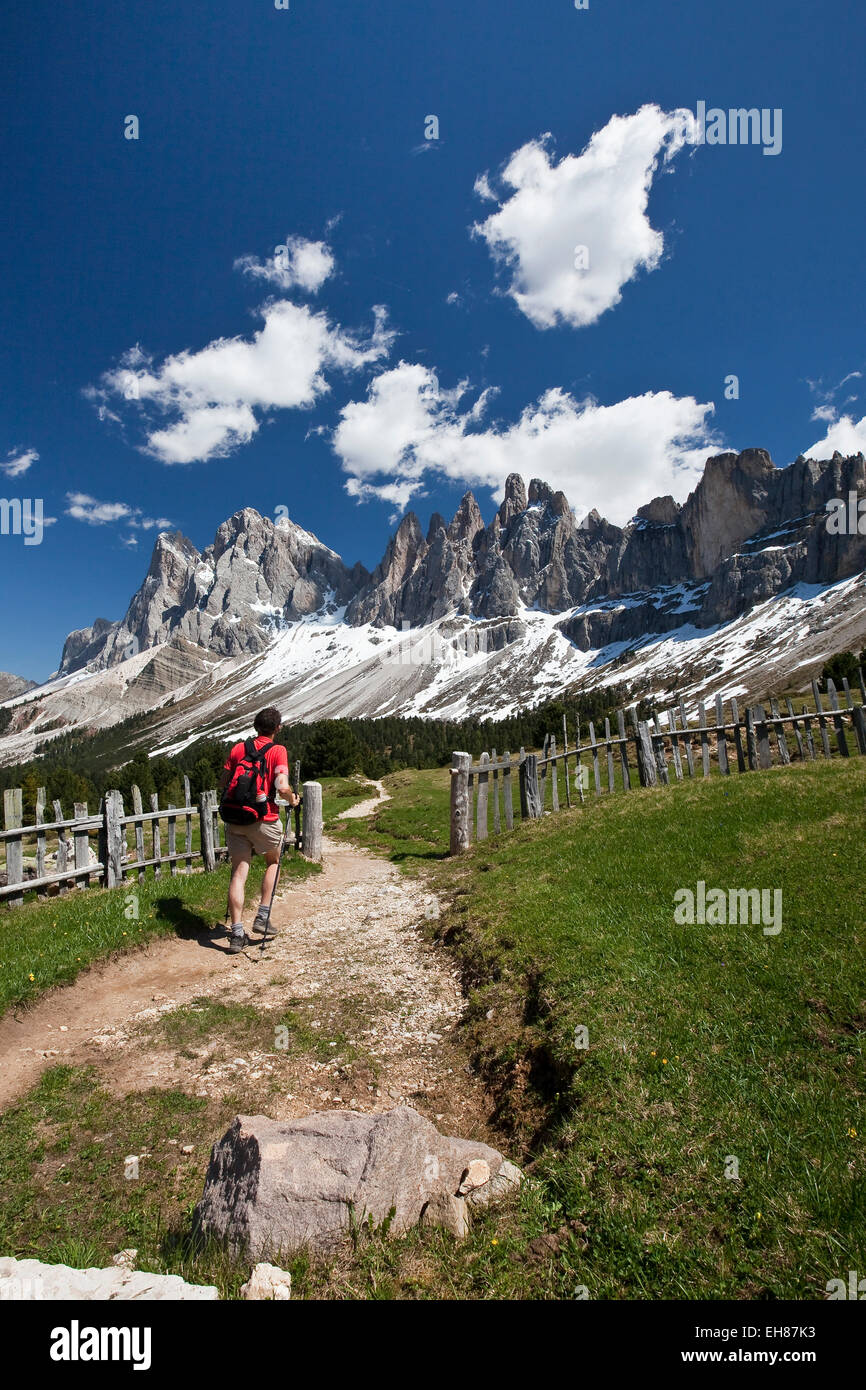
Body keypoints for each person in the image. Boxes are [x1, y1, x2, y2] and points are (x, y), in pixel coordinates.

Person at [218, 706, 299, 953]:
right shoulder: (277, 750)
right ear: (278, 728)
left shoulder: (238, 749)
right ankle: (262, 916)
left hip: (235, 818)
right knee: (273, 862)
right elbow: (282, 785)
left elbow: (223, 781)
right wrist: (293, 798)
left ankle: (236, 934)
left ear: (255, 726)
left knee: (239, 872)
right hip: (265, 817)